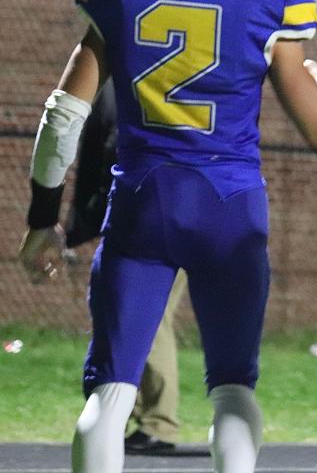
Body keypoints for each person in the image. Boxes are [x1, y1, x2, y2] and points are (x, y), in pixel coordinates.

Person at [17, 0, 317, 473]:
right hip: (230, 209)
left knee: (110, 394)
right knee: (231, 390)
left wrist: (41, 221)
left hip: (142, 202)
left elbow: (63, 116)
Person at [63, 78, 186, 454]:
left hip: (157, 214)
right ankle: (129, 413)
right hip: (159, 212)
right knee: (124, 317)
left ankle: (159, 423)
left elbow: (106, 151)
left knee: (152, 319)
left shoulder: (130, 82)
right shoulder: (123, 83)